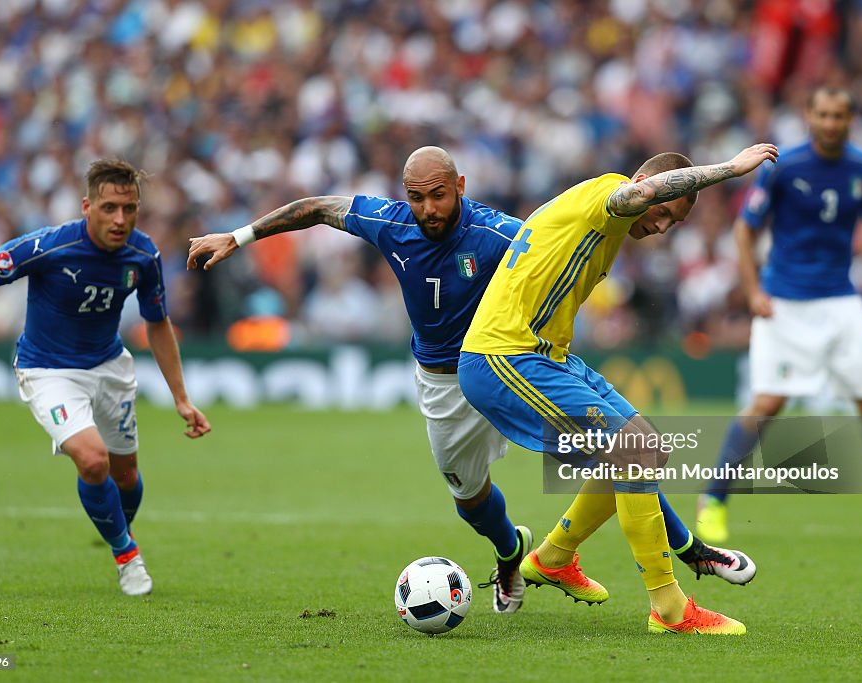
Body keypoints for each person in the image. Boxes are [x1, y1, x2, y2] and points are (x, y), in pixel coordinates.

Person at [187, 146, 756, 616]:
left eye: (439, 194)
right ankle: (515, 551)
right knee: (472, 498)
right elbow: (315, 207)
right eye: (417, 197)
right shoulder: (391, 222)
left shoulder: (499, 231)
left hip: (516, 363)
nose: (428, 208)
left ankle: (664, 574)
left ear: (459, 186)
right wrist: (234, 239)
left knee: (630, 450)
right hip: (452, 381)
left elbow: (551, 240)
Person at [459, 142, 779, 634]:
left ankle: (554, 558)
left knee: (643, 445)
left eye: (676, 223)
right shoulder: (608, 199)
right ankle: (670, 610)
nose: (664, 227)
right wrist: (728, 171)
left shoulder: (600, 214)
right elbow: (641, 194)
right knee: (634, 450)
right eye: (666, 213)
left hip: (546, 356)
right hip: (504, 356)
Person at [0, 159, 211, 596]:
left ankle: (117, 534)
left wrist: (181, 398)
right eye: (109, 208)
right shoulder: (51, 246)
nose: (120, 219)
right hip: (48, 370)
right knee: (92, 460)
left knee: (126, 477)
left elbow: (158, 323)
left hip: (110, 367)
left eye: (129, 209)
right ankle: (127, 556)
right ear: (87, 206)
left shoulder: (144, 255)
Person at [696, 86, 862, 546]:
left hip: (841, 300)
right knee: (767, 405)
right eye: (823, 114)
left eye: (839, 115)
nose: (831, 123)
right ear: (809, 116)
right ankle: (714, 500)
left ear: (850, 119)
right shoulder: (785, 167)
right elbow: (744, 229)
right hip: (785, 301)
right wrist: (754, 290)